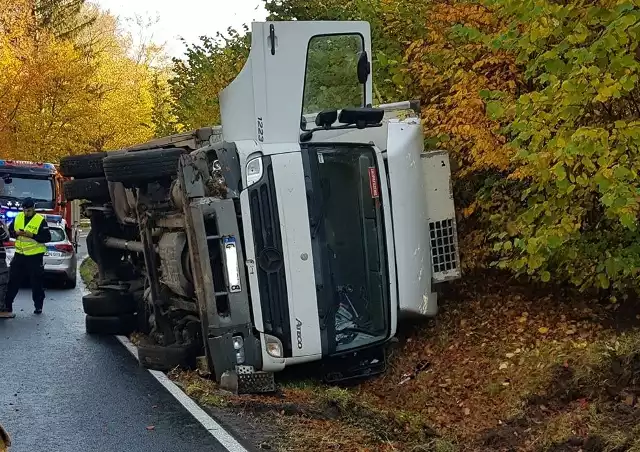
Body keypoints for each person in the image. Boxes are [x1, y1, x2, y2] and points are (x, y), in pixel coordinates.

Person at [0, 198, 51, 317]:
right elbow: (10, 232)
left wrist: (32, 235)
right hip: (20, 255)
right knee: (12, 281)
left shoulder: (40, 220)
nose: (26, 212)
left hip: (34, 256)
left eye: (28, 210)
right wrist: (15, 233)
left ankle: (38, 306)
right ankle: (7, 306)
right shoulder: (18, 217)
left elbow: (47, 238)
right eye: (25, 210)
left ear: (33, 208)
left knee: (36, 282)